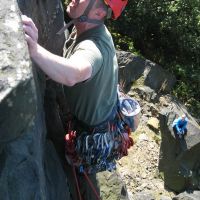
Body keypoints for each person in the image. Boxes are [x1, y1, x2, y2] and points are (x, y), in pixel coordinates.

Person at [22, 0, 130, 199]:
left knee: (83, 181)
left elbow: (75, 73)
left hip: (92, 135)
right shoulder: (85, 28)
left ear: (98, 12)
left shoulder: (93, 46)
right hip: (95, 118)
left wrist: (34, 50)